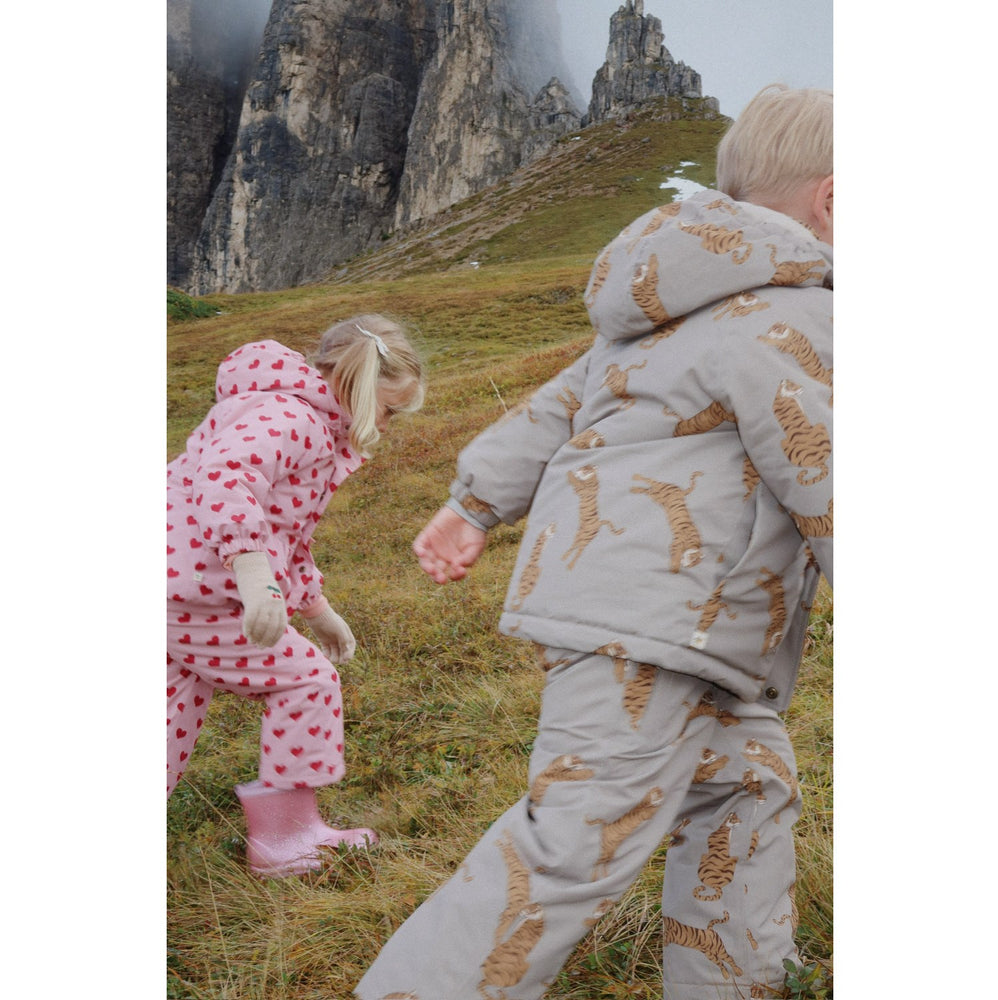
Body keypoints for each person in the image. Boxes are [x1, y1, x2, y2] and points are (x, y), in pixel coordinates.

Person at [356, 84, 832, 999]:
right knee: (576, 839)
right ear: (835, 201)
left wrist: (472, 503)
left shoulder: (665, 307)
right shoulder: (800, 317)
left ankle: (737, 982)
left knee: (747, 783)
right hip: (661, 624)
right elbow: (826, 471)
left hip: (658, 622)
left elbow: (556, 407)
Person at [167, 314, 424, 878]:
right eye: (388, 410)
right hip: (204, 590)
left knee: (170, 713)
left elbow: (286, 534)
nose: (388, 425)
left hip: (175, 586)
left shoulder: (287, 411)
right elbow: (226, 478)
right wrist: (251, 570)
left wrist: (317, 609)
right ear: (356, 386)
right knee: (308, 681)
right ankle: (286, 841)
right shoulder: (293, 418)